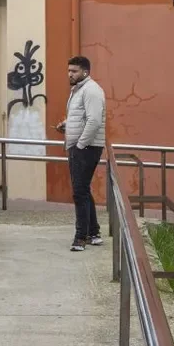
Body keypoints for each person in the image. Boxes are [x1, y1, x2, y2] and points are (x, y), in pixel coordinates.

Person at [54, 56, 107, 252]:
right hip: (82, 146)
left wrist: (80, 145)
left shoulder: (91, 90)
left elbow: (94, 121)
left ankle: (80, 238)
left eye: (74, 71)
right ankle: (93, 233)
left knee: (79, 192)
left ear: (85, 72)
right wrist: (66, 126)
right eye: (69, 70)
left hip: (86, 147)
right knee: (83, 190)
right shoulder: (79, 90)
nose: (70, 74)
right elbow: (82, 118)